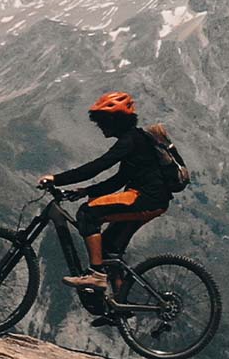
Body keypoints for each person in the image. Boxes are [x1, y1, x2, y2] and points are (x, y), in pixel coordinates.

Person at [38, 92, 172, 290]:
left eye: (102, 121)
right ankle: (119, 306)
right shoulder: (137, 139)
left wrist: (57, 179)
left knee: (87, 213)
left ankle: (96, 275)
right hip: (153, 200)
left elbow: (98, 166)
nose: (99, 126)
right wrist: (87, 190)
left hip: (145, 199)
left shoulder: (129, 141)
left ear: (114, 120)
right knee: (109, 249)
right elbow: (118, 180)